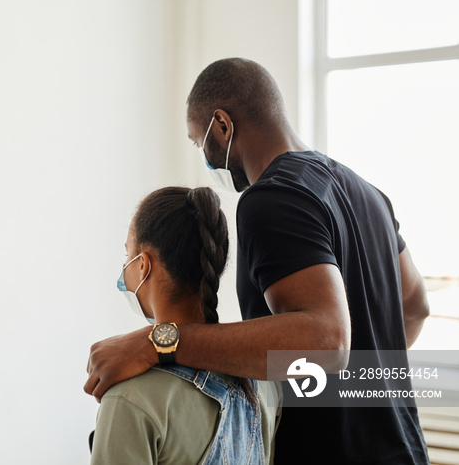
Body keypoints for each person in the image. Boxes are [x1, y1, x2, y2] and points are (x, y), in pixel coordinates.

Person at [85, 58, 430, 464]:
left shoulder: (272, 196)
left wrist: (156, 342)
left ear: (222, 125)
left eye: (199, 142)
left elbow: (328, 341)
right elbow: (415, 307)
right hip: (405, 448)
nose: (206, 157)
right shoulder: (369, 194)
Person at [89, 186, 278, 464]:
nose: (125, 266)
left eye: (127, 254)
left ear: (143, 265)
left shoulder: (129, 400)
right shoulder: (263, 382)